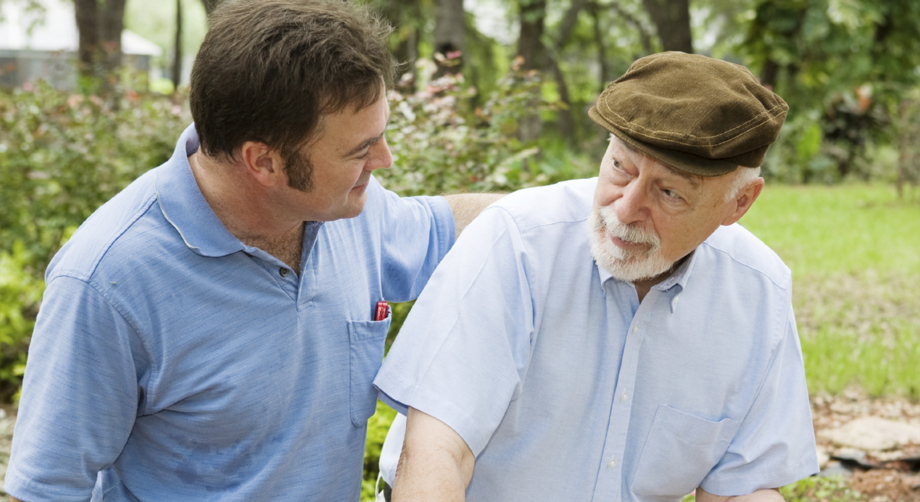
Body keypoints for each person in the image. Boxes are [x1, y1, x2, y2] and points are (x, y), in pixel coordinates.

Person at [4, 1, 501, 500]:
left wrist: (574, 206)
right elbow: (47, 488)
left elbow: (459, 225)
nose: (385, 160)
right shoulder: (106, 282)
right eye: (359, 150)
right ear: (263, 161)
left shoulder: (351, 213)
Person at [373, 52, 819, 502]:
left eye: (669, 193)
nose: (624, 209)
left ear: (739, 203)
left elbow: (742, 489)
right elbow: (435, 453)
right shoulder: (517, 243)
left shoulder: (759, 292)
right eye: (621, 168)